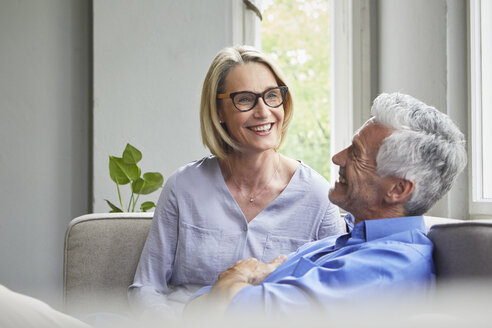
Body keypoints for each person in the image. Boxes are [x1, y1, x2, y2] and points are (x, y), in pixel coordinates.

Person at [186, 92, 468, 316]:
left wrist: (242, 272)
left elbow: (226, 311)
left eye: (356, 153)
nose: (337, 158)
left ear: (397, 189)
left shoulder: (383, 268)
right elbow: (198, 305)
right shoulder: (345, 238)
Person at [128, 45, 345, 318]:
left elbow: (335, 299)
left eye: (271, 96)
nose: (263, 112)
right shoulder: (182, 188)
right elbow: (146, 287)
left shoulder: (317, 196)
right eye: (245, 99)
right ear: (219, 111)